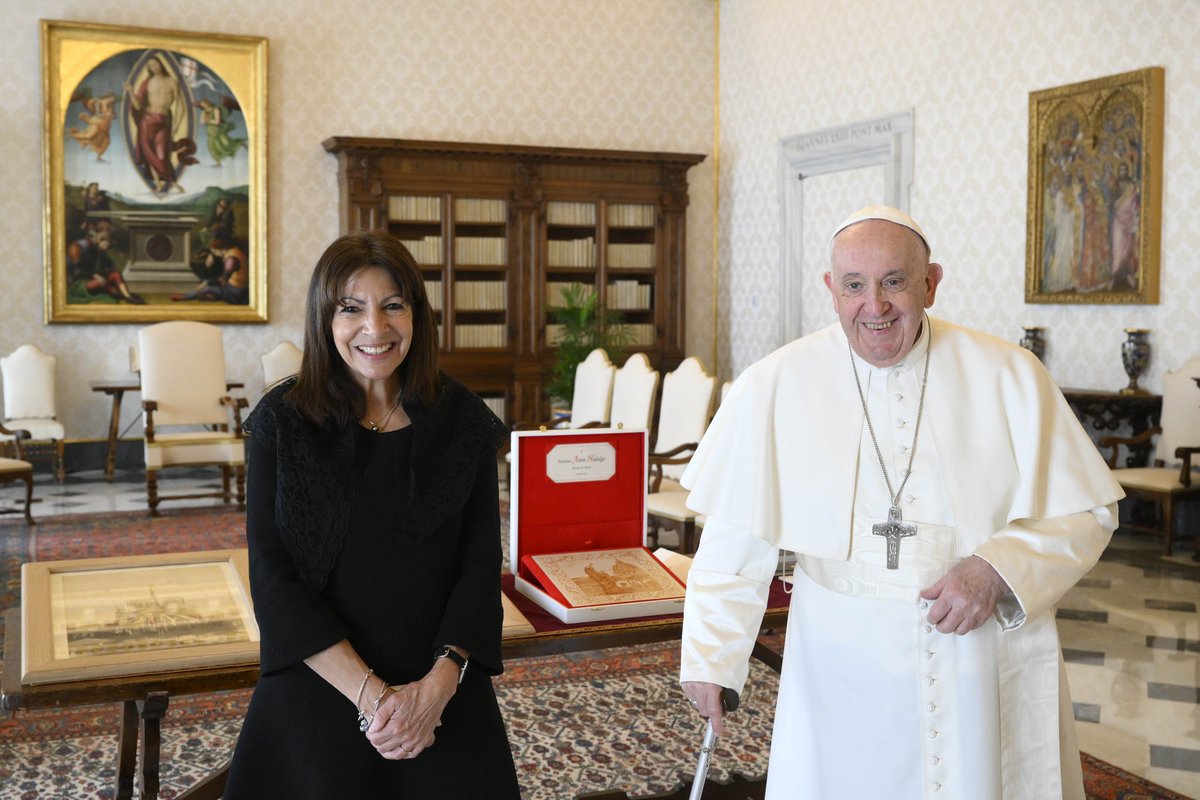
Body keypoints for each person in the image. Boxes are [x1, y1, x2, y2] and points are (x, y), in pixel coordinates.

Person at [679, 205, 1123, 800]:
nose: (875, 305)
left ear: (930, 284)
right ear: (831, 291)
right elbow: (735, 536)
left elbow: (1086, 511)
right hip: (836, 661)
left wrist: (997, 569)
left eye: (894, 281)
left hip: (972, 652)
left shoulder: (1009, 375)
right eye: (855, 286)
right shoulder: (777, 383)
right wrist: (712, 656)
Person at [224, 232, 520, 798]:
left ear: (417, 314)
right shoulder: (281, 423)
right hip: (320, 688)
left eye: (393, 306)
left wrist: (434, 689)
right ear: (324, 318)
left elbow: (480, 565)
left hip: (441, 695)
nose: (375, 329)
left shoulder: (463, 421)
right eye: (351, 309)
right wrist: (376, 699)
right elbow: (272, 575)